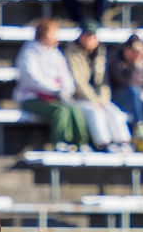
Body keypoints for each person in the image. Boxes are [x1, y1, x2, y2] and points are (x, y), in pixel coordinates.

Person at [13, 19, 89, 151]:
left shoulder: (56, 54)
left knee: (74, 108)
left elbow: (65, 76)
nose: (56, 37)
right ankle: (60, 142)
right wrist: (54, 90)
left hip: (56, 96)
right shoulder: (29, 52)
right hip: (32, 97)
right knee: (60, 111)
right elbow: (32, 78)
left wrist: (65, 90)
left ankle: (81, 143)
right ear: (43, 34)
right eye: (52, 33)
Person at [65, 24, 132, 151]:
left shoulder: (100, 54)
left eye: (93, 36)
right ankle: (103, 144)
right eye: (88, 36)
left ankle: (123, 143)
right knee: (96, 112)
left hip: (97, 98)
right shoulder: (72, 53)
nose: (91, 40)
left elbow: (103, 82)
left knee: (114, 112)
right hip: (77, 98)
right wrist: (94, 99)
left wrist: (102, 99)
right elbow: (78, 82)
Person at [109, 36, 143, 148]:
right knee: (134, 91)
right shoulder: (116, 61)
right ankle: (140, 126)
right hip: (118, 97)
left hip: (138, 97)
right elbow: (126, 83)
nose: (135, 53)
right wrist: (136, 65)